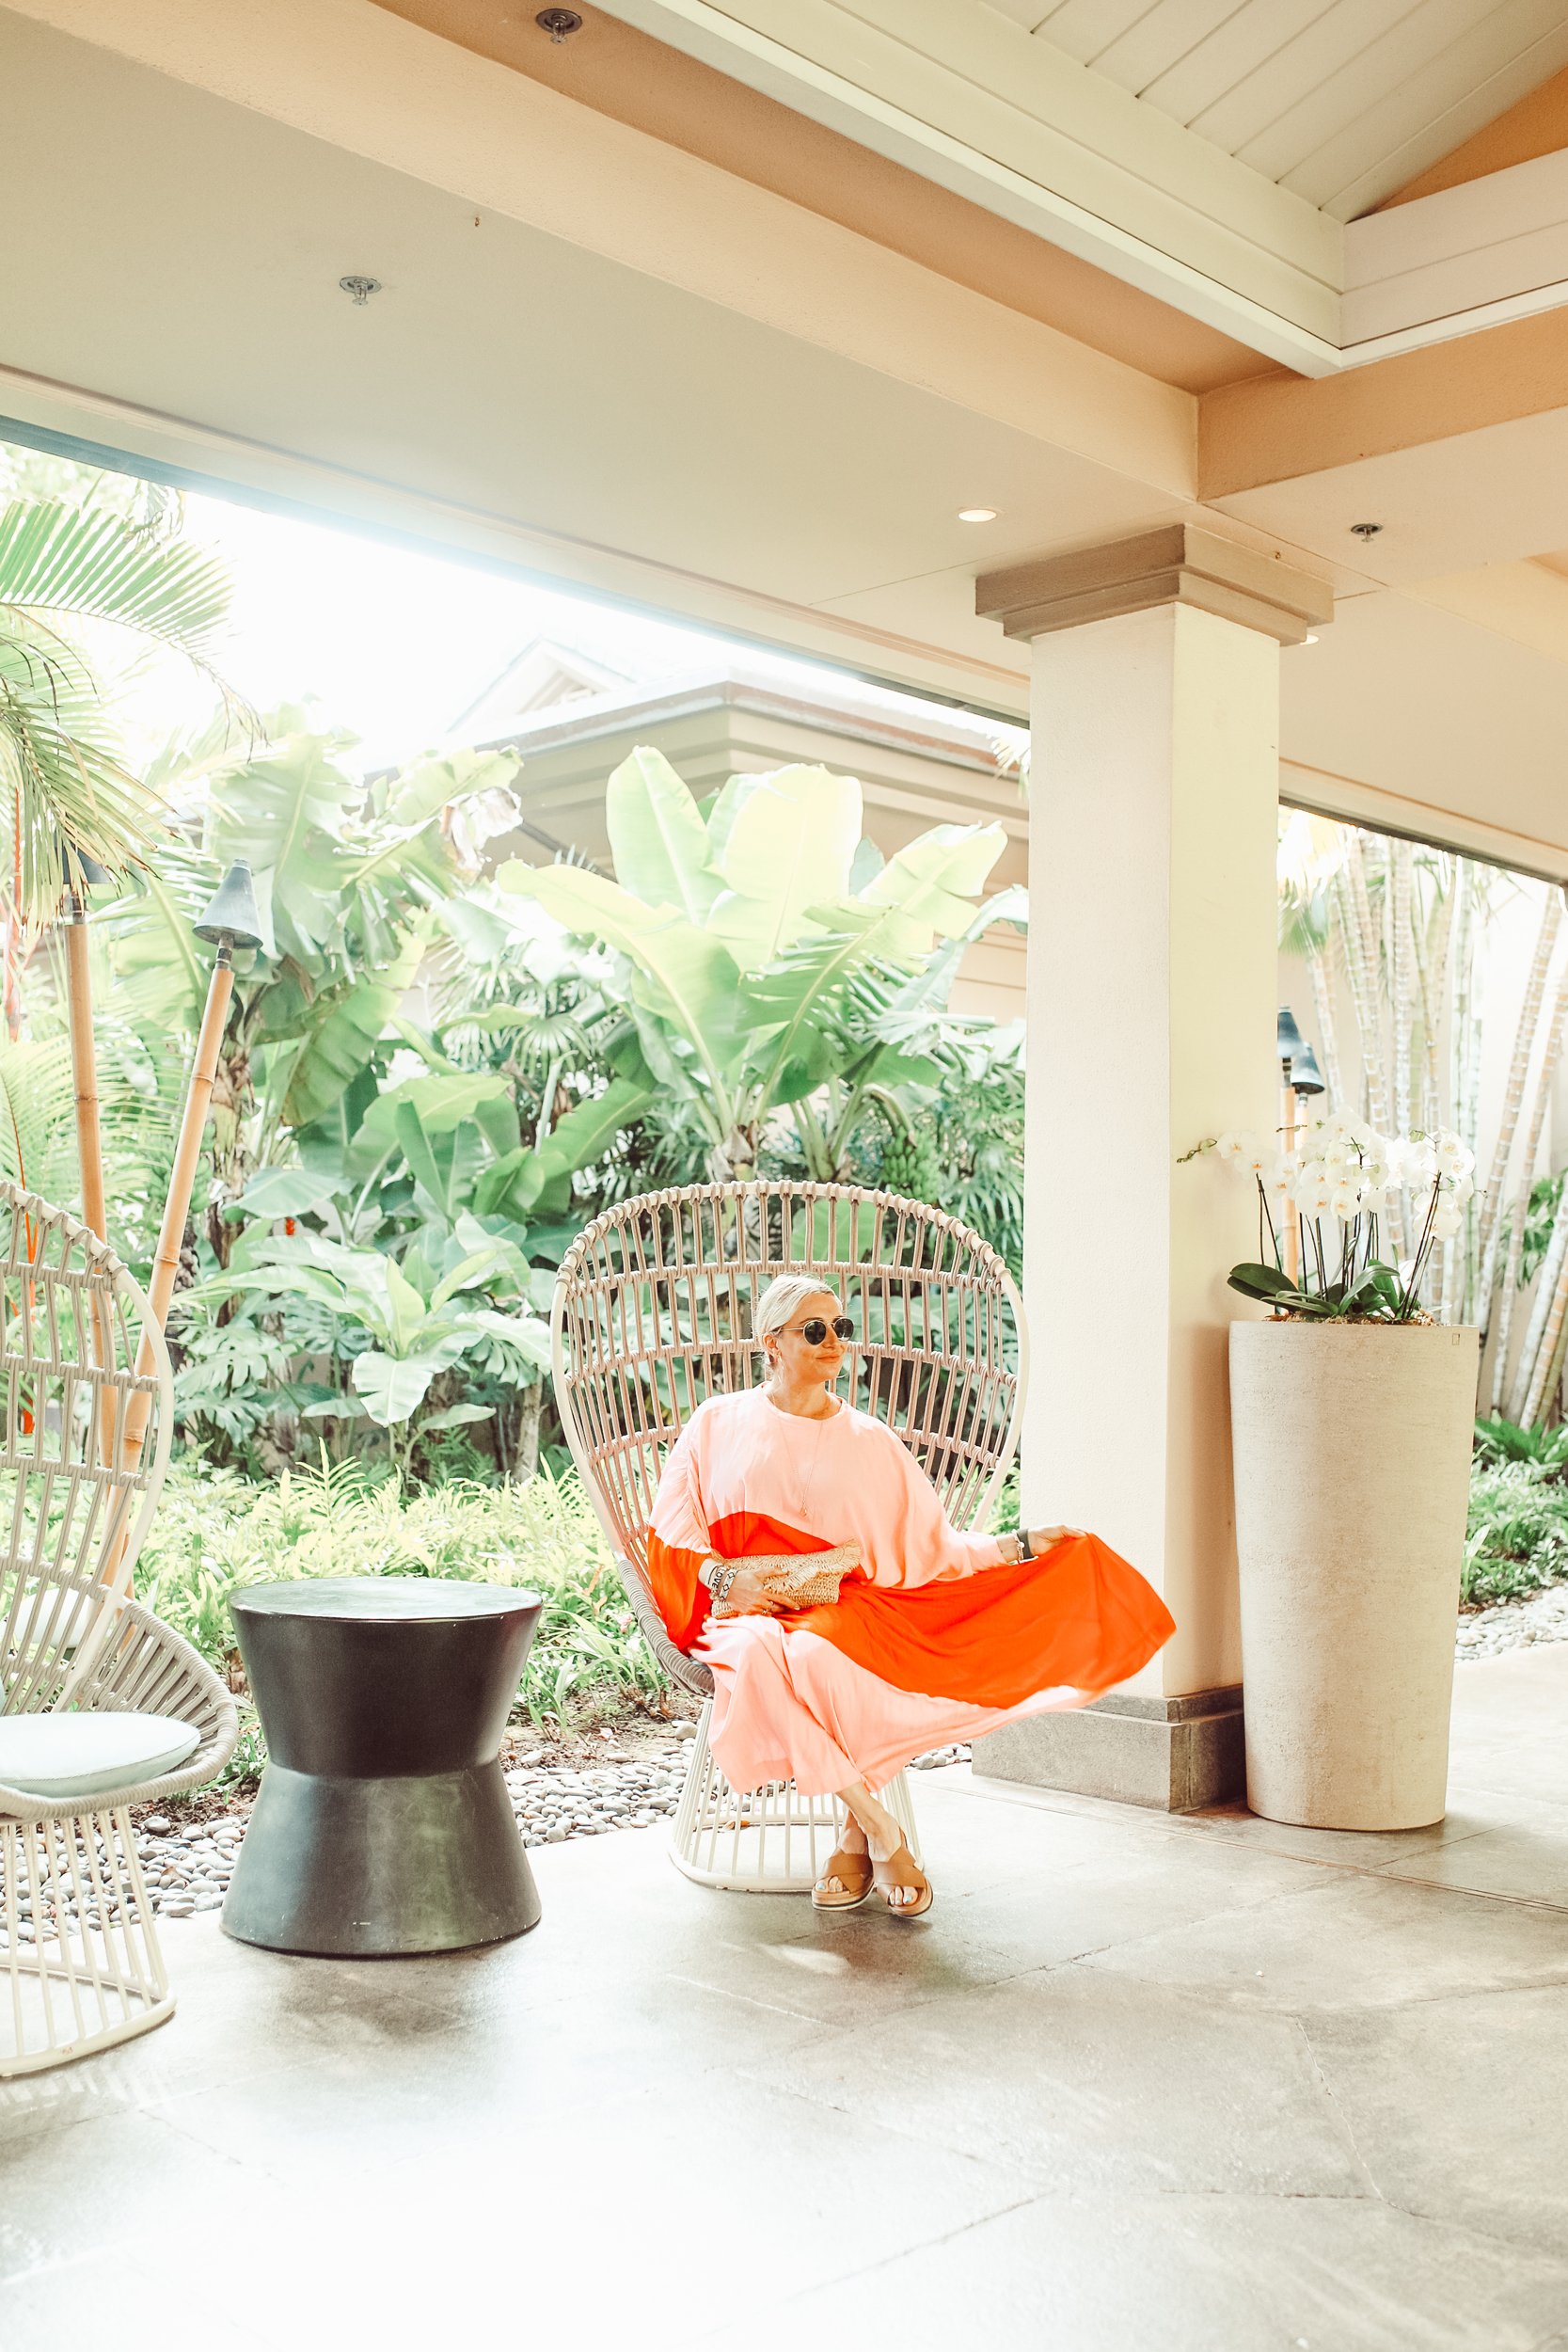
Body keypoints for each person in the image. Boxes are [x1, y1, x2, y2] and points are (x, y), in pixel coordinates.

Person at [645, 1274, 1174, 1919]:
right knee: (754, 1654)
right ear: (772, 1344)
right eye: (815, 1330)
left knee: (818, 1661)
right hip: (736, 1607)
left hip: (838, 1607)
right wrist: (730, 1579)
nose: (833, 1341)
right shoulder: (717, 1421)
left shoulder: (869, 1441)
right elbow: (671, 1527)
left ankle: (854, 1835)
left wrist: (1021, 1543)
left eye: (841, 1328)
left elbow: (934, 1549)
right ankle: (879, 1829)